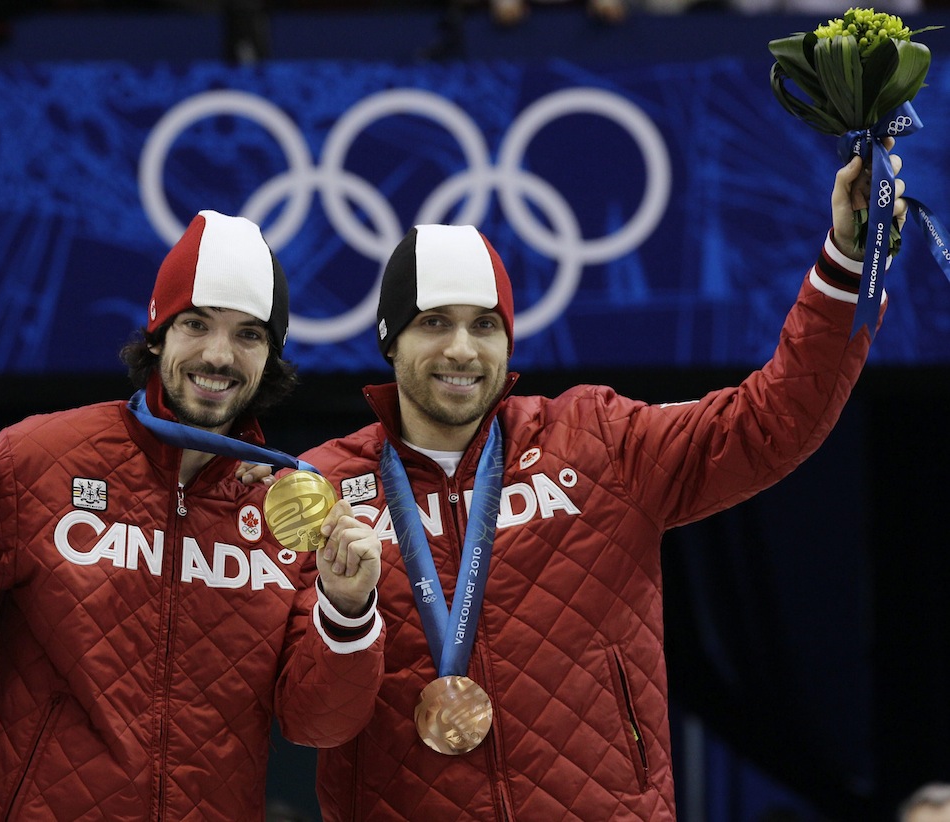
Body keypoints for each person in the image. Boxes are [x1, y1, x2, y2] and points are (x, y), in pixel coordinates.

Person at [297, 150, 906, 819]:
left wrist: (847, 264)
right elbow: (306, 715)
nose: (462, 349)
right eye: (435, 322)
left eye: (485, 325)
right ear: (391, 340)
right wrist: (344, 611)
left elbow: (771, 420)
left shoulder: (598, 441)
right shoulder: (321, 490)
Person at [0, 209, 385, 820]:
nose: (219, 355)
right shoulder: (36, 458)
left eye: (248, 335)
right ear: (157, 334)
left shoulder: (290, 511)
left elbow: (318, 724)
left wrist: (348, 609)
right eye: (196, 324)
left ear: (271, 356)